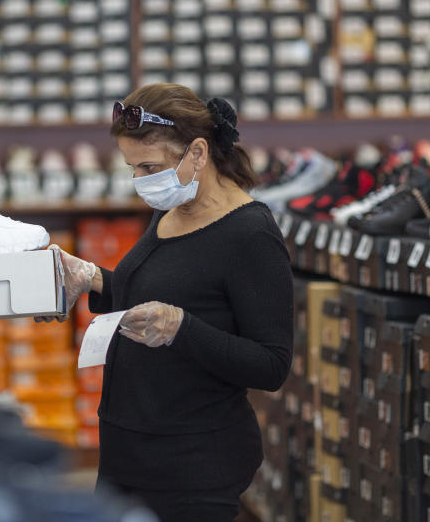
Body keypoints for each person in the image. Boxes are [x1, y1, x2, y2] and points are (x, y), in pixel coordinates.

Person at [49, 83, 294, 522]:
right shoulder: (171, 208)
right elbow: (148, 295)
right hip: (129, 446)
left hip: (193, 461)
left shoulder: (250, 233)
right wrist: (92, 279)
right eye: (133, 168)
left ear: (198, 153)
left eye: (150, 166)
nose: (141, 181)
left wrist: (183, 328)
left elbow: (271, 364)